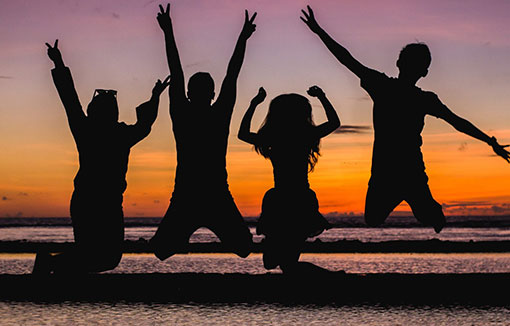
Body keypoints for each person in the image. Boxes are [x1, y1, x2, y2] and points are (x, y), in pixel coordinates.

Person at [300, 6, 510, 233]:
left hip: (409, 171)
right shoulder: (385, 86)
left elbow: (457, 122)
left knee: (424, 217)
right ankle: (424, 206)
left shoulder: (413, 95)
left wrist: (319, 32)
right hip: (386, 171)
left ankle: (429, 208)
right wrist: (489, 141)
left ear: (405, 66)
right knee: (372, 218)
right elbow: (347, 60)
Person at [33, 40, 170, 274]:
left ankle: (52, 265)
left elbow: (70, 99)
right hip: (94, 201)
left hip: (100, 202)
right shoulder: (114, 132)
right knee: (101, 257)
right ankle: (53, 267)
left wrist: (59, 62)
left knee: (103, 257)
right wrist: (155, 97)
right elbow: (144, 125)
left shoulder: (90, 129)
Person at [150, 4, 256, 260]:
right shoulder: (212, 113)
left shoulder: (187, 112)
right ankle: (182, 235)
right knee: (162, 250)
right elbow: (232, 74)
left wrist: (168, 31)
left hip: (204, 193)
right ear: (212, 94)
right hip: (201, 193)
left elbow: (177, 70)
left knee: (243, 247)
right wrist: (242, 38)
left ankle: (182, 235)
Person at [238, 86, 340, 273]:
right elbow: (334, 122)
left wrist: (254, 104)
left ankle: (330, 278)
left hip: (285, 200)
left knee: (283, 264)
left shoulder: (275, 138)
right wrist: (322, 97)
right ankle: (329, 278)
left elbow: (243, 134)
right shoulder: (304, 135)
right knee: (278, 263)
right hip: (297, 199)